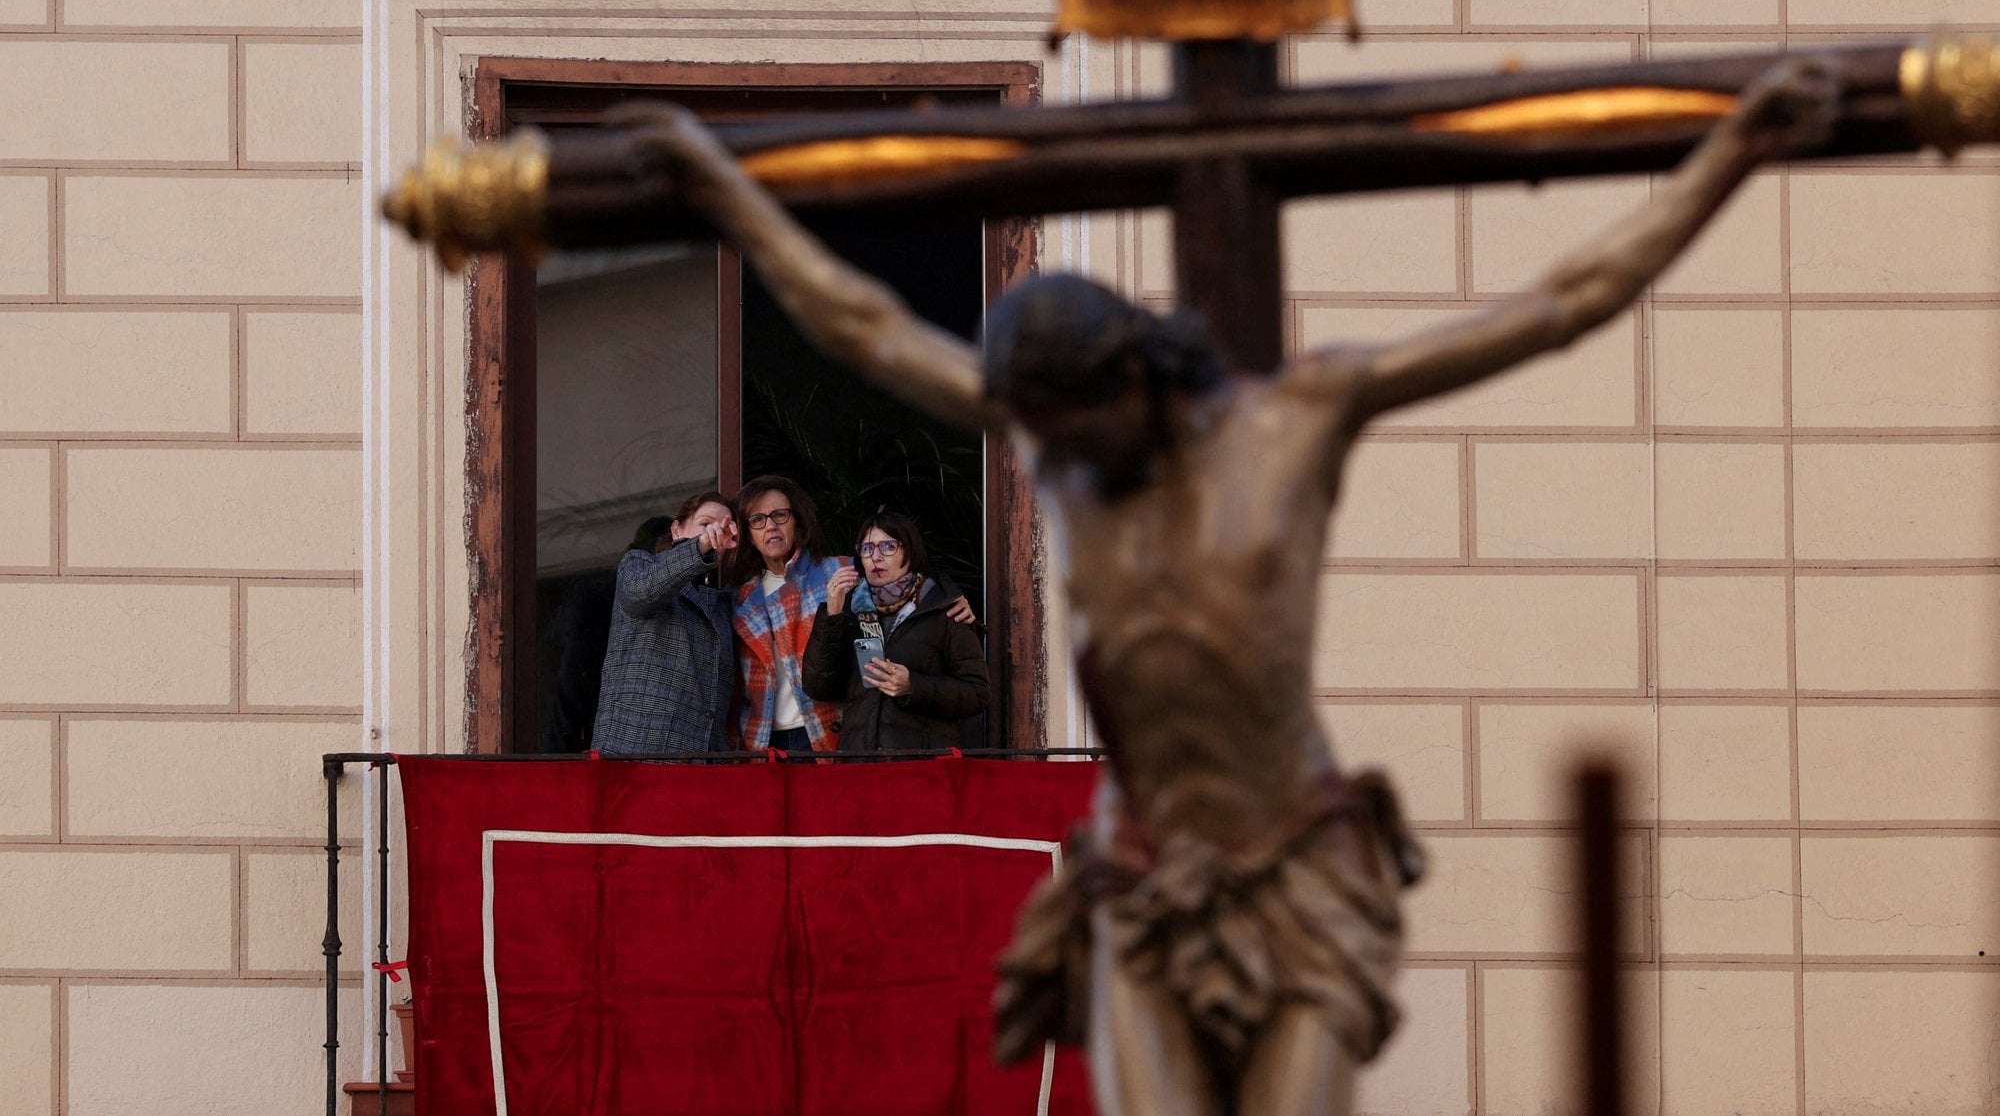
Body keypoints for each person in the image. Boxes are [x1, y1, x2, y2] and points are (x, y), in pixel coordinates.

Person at [612, 60, 1837, 1115]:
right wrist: (722, 185)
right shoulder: (1067, 444)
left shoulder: (1291, 423)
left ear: (1131, 375)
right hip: (1143, 870)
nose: (1063, 454)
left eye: (1078, 423)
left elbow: (1559, 302)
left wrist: (1730, 150)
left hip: (1296, 857)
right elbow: (866, 327)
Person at [802, 511, 989, 752]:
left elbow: (978, 693)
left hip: (922, 763)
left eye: (888, 546)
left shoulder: (944, 608)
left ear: (909, 551)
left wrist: (913, 686)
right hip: (861, 761)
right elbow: (818, 687)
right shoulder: (851, 609)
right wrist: (832, 615)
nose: (876, 557)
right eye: (867, 548)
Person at [589, 493, 739, 756]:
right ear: (677, 529)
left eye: (722, 528)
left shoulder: (724, 601)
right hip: (637, 754)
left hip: (701, 761)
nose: (714, 532)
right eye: (705, 524)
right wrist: (701, 545)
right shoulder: (639, 563)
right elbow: (639, 594)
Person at [729, 474, 847, 754]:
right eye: (757, 519)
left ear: (797, 521)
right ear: (749, 534)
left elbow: (895, 598)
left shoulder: (838, 572)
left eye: (780, 515)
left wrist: (944, 598)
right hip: (762, 740)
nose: (770, 526)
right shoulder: (739, 598)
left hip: (825, 731)